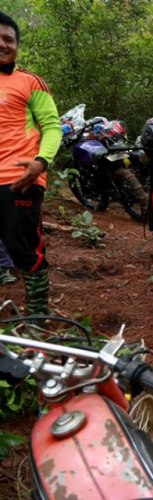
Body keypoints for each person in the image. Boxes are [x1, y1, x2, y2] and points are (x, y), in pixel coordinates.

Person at [0, 12, 61, 315]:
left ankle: (38, 316)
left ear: (16, 46)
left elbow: (52, 126)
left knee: (25, 249)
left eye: (8, 39)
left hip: (18, 179)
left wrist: (41, 162)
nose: (2, 44)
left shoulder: (29, 82)